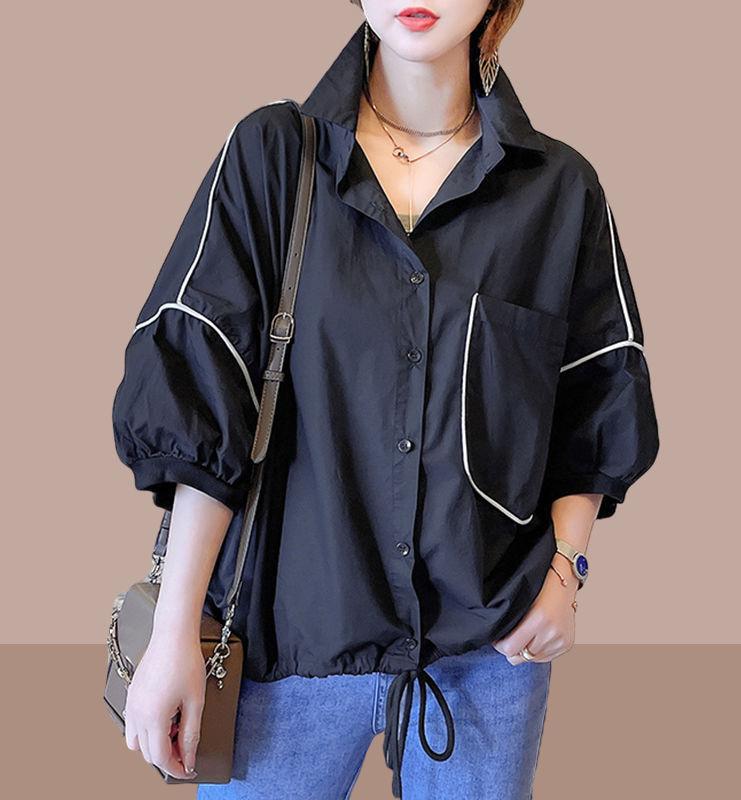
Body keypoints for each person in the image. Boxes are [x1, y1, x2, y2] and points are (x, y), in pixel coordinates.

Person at [110, 2, 660, 798]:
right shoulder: (273, 157)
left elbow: (595, 399)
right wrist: (172, 634)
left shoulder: (560, 192)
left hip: (487, 658)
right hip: (285, 646)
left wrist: (565, 572)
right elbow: (205, 393)